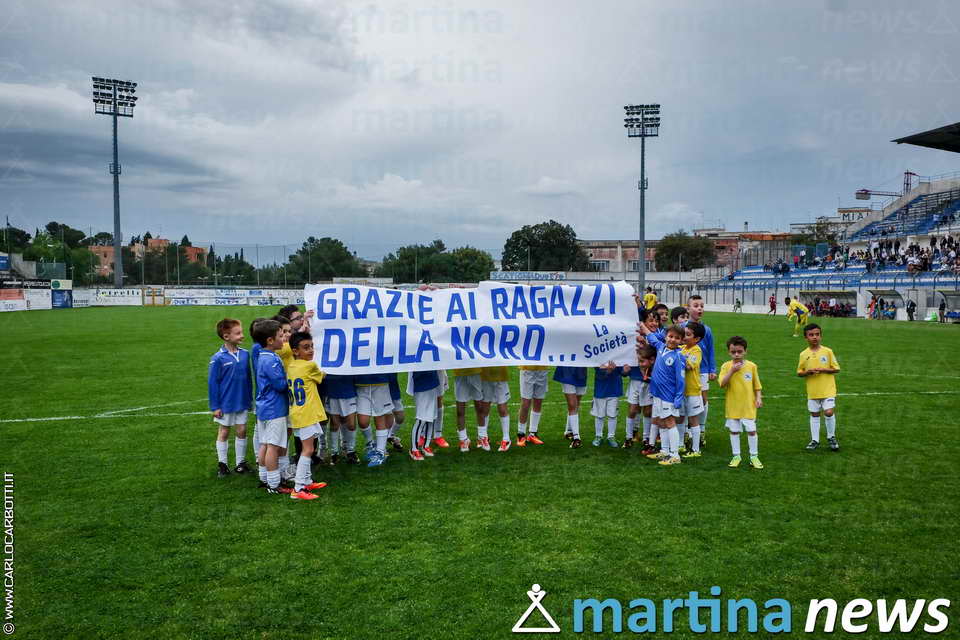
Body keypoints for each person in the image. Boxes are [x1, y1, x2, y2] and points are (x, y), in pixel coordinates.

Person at [285, 332, 329, 500]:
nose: (310, 350)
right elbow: (321, 377)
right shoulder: (309, 366)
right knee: (308, 449)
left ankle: (307, 480)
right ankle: (299, 488)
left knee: (308, 448)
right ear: (295, 351)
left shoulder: (292, 366)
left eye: (311, 346)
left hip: (298, 412)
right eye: (306, 348)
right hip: (306, 414)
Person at [208, 318, 252, 478]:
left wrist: (249, 400)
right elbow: (213, 384)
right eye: (238, 333)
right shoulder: (218, 358)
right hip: (225, 403)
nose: (242, 335)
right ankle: (223, 464)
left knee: (242, 430)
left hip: (242, 401)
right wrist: (215, 406)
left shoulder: (245, 354)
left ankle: (241, 463)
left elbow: (248, 379)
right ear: (226, 336)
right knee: (224, 431)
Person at [252, 319, 292, 494]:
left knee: (265, 444)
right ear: (270, 340)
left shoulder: (264, 355)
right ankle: (274, 484)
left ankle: (264, 478)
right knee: (273, 446)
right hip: (274, 408)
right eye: (281, 335)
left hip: (264, 407)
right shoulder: (272, 360)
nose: (284, 338)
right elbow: (280, 385)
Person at [718, 336, 763, 469]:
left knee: (751, 430)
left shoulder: (752, 366)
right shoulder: (726, 366)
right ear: (729, 352)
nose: (736, 354)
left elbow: (757, 385)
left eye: (739, 351)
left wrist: (759, 398)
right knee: (734, 431)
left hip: (748, 405)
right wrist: (732, 371)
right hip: (733, 406)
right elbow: (722, 384)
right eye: (733, 352)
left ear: (745, 351)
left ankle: (754, 456)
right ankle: (736, 456)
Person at [645, 325, 686, 466]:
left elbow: (681, 379)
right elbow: (651, 337)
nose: (673, 340)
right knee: (661, 421)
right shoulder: (661, 348)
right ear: (666, 336)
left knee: (669, 422)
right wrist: (641, 326)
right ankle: (664, 450)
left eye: (677, 338)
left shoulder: (679, 356)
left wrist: (678, 397)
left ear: (681, 341)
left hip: (668, 395)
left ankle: (675, 455)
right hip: (657, 393)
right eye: (670, 336)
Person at [797, 324, 841, 452]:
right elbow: (799, 372)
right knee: (814, 414)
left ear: (821, 336)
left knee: (828, 412)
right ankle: (815, 440)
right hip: (813, 391)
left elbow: (836, 368)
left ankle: (831, 437)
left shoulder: (828, 351)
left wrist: (824, 369)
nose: (815, 337)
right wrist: (807, 372)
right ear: (806, 337)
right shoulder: (803, 354)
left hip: (828, 390)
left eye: (817, 334)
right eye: (811, 335)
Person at [685, 295, 716, 446]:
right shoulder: (683, 327)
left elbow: (710, 350)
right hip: (686, 370)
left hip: (702, 370)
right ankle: (686, 431)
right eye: (696, 305)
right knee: (685, 400)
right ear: (688, 308)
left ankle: (701, 430)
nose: (699, 308)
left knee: (702, 400)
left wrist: (712, 369)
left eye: (702, 306)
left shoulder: (707, 330)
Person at [353, 372, 393, 467]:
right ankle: (371, 443)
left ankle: (380, 451)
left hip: (380, 383)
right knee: (363, 421)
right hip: (361, 384)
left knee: (380, 417)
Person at [679, 322, 705, 459]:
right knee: (680, 417)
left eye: (688, 334)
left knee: (693, 420)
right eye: (684, 332)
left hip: (693, 391)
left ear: (697, 339)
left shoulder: (696, 350)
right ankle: (680, 444)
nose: (684, 336)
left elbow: (689, 366)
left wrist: (678, 357)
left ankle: (695, 449)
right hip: (681, 391)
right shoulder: (681, 348)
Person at [407, 370, 443, 461]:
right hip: (421, 384)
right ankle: (413, 449)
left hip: (433, 381)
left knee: (432, 417)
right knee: (421, 418)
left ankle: (426, 446)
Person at [324, 374, 358, 465]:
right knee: (335, 424)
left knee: (351, 424)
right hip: (332, 390)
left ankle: (351, 451)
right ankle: (334, 452)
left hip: (349, 391)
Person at [590, 364, 625, 448]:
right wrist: (608, 371)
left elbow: (622, 372)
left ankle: (611, 436)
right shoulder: (599, 354)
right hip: (600, 389)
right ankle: (598, 436)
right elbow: (598, 374)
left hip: (614, 389)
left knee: (612, 415)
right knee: (599, 415)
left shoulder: (618, 355)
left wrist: (625, 371)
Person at [478, 367, 512, 452]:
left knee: (502, 408)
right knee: (484, 408)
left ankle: (506, 439)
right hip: (485, 375)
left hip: (500, 376)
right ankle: (483, 437)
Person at [554, 366, 587, 448]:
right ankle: (576, 438)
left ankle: (568, 431)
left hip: (581, 372)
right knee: (572, 404)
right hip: (567, 371)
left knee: (576, 404)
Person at [452, 367, 484, 452]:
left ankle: (482, 437)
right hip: (460, 374)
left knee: (480, 407)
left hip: (476, 372)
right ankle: (463, 439)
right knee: (460, 410)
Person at [517, 365, 548, 446]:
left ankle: (532, 434)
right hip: (527, 369)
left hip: (542, 369)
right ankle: (521, 434)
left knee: (538, 402)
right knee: (526, 403)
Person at [385, 373, 406, 452]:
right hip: (379, 389)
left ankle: (390, 436)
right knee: (385, 419)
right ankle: (380, 447)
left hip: (393, 389)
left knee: (400, 417)